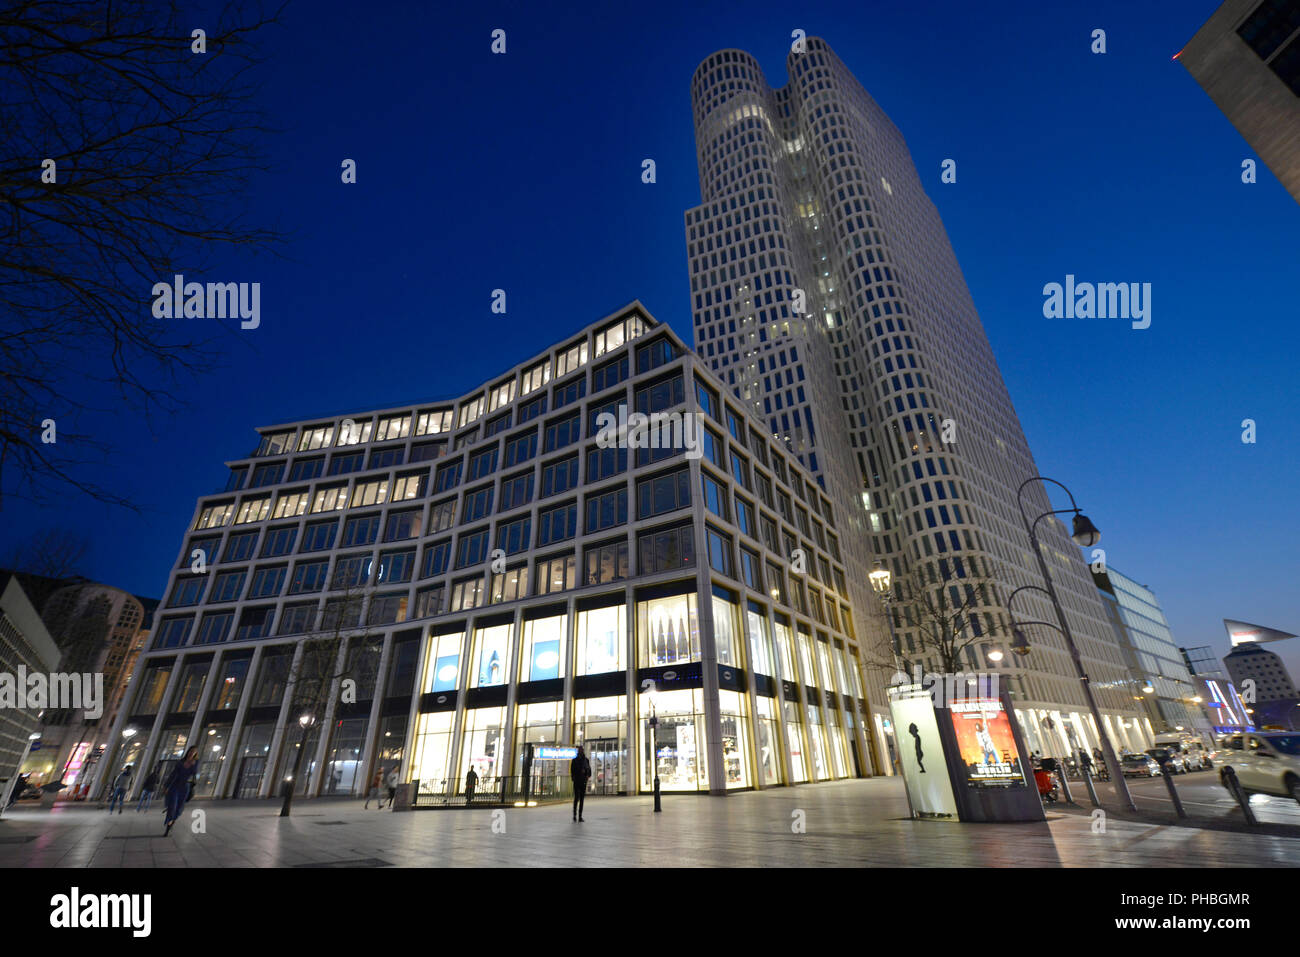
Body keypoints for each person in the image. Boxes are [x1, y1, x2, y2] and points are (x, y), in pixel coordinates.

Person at [163, 747, 200, 836]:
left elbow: (196, 774)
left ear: (195, 754)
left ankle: (172, 823)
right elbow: (173, 774)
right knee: (172, 805)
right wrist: (166, 785)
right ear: (188, 752)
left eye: (194, 752)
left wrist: (193, 764)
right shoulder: (180, 762)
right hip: (175, 785)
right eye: (191, 751)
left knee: (179, 808)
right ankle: (168, 827)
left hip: (185, 787)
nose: (192, 753)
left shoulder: (195, 763)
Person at [571, 745, 592, 822]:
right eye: (579, 750)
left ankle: (580, 816)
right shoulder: (574, 760)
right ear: (578, 751)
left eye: (582, 750)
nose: (581, 751)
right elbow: (572, 771)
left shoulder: (586, 760)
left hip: (583, 781)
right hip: (577, 781)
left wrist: (587, 775)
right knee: (576, 798)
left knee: (582, 799)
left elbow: (589, 770)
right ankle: (574, 815)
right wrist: (574, 777)